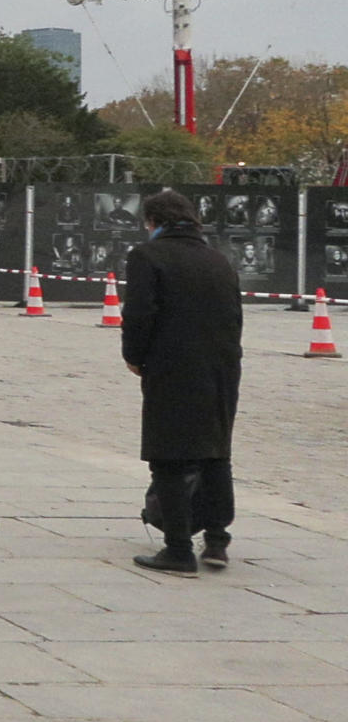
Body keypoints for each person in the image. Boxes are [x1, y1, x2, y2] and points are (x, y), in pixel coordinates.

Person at [120, 189, 244, 575]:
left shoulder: (147, 256)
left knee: (169, 456)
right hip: (222, 368)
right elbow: (235, 316)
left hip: (171, 367)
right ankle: (218, 541)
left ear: (154, 222)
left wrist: (135, 357)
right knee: (214, 452)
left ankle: (177, 549)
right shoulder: (218, 259)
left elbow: (139, 314)